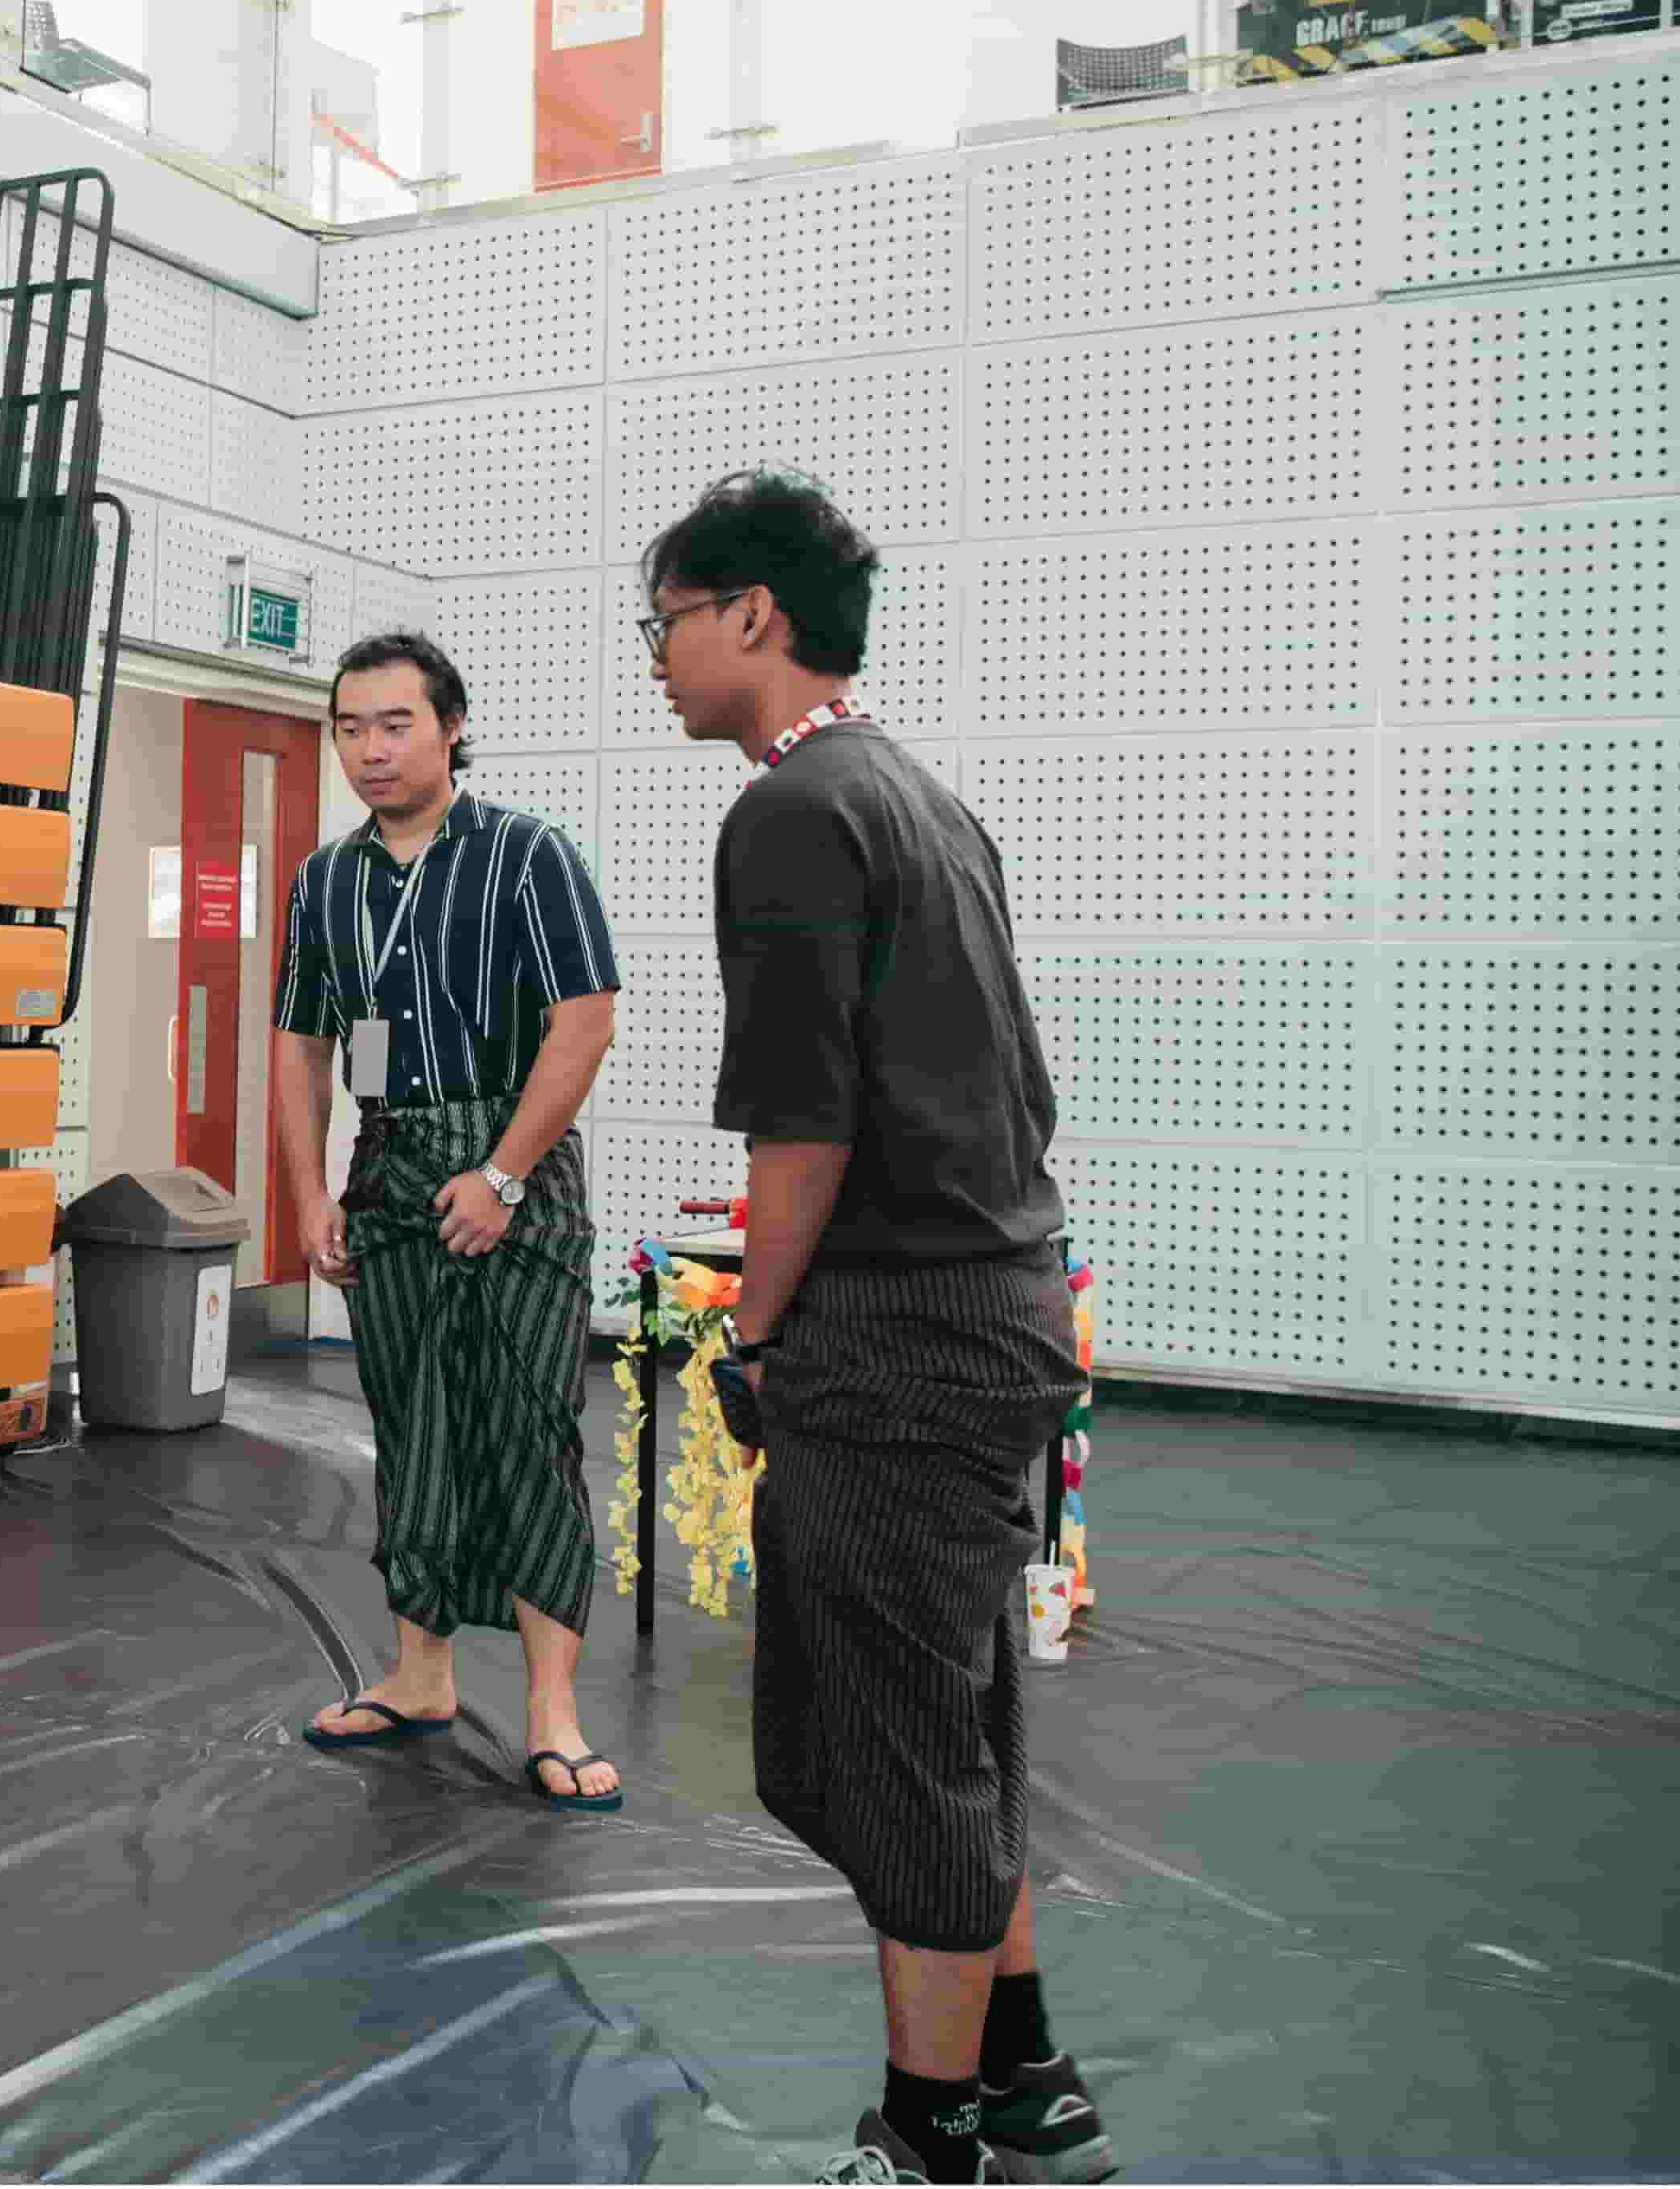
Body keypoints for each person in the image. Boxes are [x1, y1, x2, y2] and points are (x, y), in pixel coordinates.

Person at [637, 473, 1113, 2187]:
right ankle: (1026, 2073)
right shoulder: (923, 797)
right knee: (955, 1712)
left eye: (666, 621)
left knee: (891, 1751)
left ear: (749, 614)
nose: (656, 659)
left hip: (896, 1347)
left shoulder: (788, 813)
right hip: (995, 1311)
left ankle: (930, 2143)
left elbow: (804, 1127)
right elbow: (1003, 1088)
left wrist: (748, 1331)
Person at [269, 632, 626, 1811]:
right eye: (350, 728)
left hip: (514, 1172)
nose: (370, 750)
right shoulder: (327, 882)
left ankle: (552, 1712)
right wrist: (315, 1193)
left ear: (452, 726)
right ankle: (421, 1675)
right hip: (389, 1169)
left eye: (395, 724)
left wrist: (505, 1175)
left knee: (526, 1430)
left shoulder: (530, 857)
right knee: (414, 1428)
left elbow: (583, 1023)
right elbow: (306, 1045)